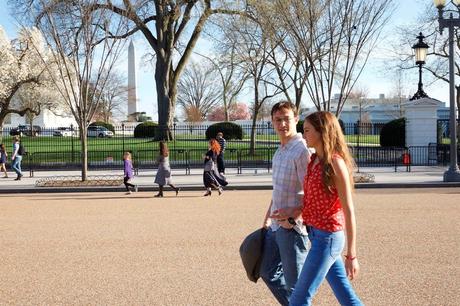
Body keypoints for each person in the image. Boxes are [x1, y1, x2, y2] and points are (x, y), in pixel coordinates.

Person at [282, 111, 363, 306]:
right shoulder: (313, 161)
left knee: (299, 300)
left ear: (322, 131)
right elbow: (311, 202)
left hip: (328, 238)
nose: (304, 134)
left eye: (308, 130)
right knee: (346, 296)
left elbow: (349, 210)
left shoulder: (335, 163)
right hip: (316, 235)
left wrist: (351, 255)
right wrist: (293, 217)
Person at [259, 101, 311, 305]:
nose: (282, 124)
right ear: (272, 122)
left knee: (296, 285)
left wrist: (296, 215)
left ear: (296, 120)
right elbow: (277, 191)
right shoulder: (280, 151)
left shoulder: (301, 151)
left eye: (286, 119)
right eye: (277, 120)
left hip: (293, 228)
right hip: (276, 225)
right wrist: (265, 221)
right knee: (266, 269)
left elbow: (313, 193)